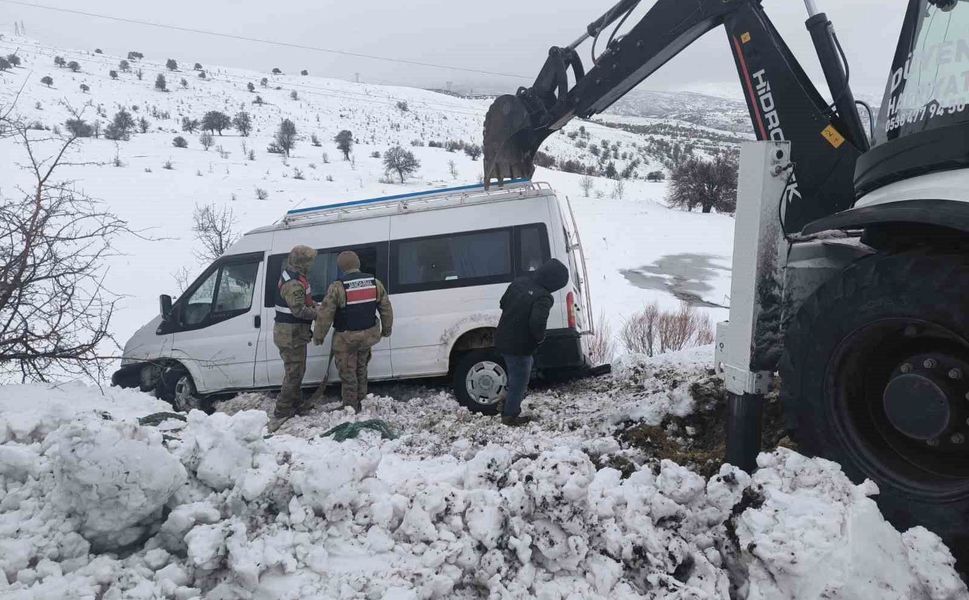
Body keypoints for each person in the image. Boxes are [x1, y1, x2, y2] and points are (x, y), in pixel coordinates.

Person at [314, 250, 393, 411]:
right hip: (368, 336)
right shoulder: (374, 282)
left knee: (348, 372)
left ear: (341, 267)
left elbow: (325, 314)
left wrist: (319, 335)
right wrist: (386, 329)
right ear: (358, 263)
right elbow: (386, 308)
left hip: (346, 338)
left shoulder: (338, 287)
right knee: (361, 368)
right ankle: (362, 401)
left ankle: (351, 407)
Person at [494, 258, 569, 426]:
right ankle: (510, 415)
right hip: (519, 346)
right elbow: (537, 323)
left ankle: (506, 401)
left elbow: (502, 303)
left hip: (502, 337)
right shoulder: (544, 297)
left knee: (515, 374)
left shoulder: (519, 282)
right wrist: (540, 337)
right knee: (520, 379)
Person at [270, 245, 321, 431]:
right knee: (294, 372)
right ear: (303, 262)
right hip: (290, 335)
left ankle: (296, 404)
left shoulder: (292, 276)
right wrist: (318, 313)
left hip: (291, 334)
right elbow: (299, 310)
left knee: (298, 370)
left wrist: (315, 304)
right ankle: (282, 410)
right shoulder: (293, 284)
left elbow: (303, 302)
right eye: (310, 261)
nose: (312, 265)